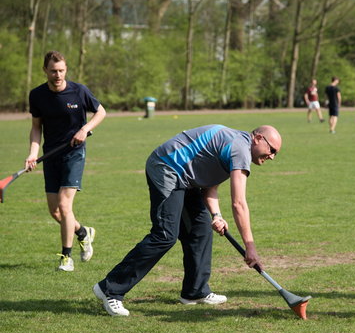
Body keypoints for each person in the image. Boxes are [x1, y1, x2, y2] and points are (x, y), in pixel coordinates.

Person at [93, 124, 282, 317]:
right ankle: (110, 288)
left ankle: (195, 291)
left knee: (200, 231)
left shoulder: (235, 146)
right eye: (272, 150)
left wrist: (216, 215)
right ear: (258, 138)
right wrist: (250, 246)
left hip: (187, 179)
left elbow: (210, 186)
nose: (272, 156)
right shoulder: (240, 149)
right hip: (167, 167)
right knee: (164, 235)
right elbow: (239, 204)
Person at [26, 51, 106, 272]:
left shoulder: (79, 91)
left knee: (64, 204)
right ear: (45, 71)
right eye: (53, 71)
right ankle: (82, 232)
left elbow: (100, 112)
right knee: (55, 212)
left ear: (66, 70)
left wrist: (84, 129)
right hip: (50, 155)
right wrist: (33, 153)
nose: (58, 75)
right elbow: (36, 128)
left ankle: (66, 257)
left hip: (74, 153)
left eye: (61, 70)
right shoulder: (37, 95)